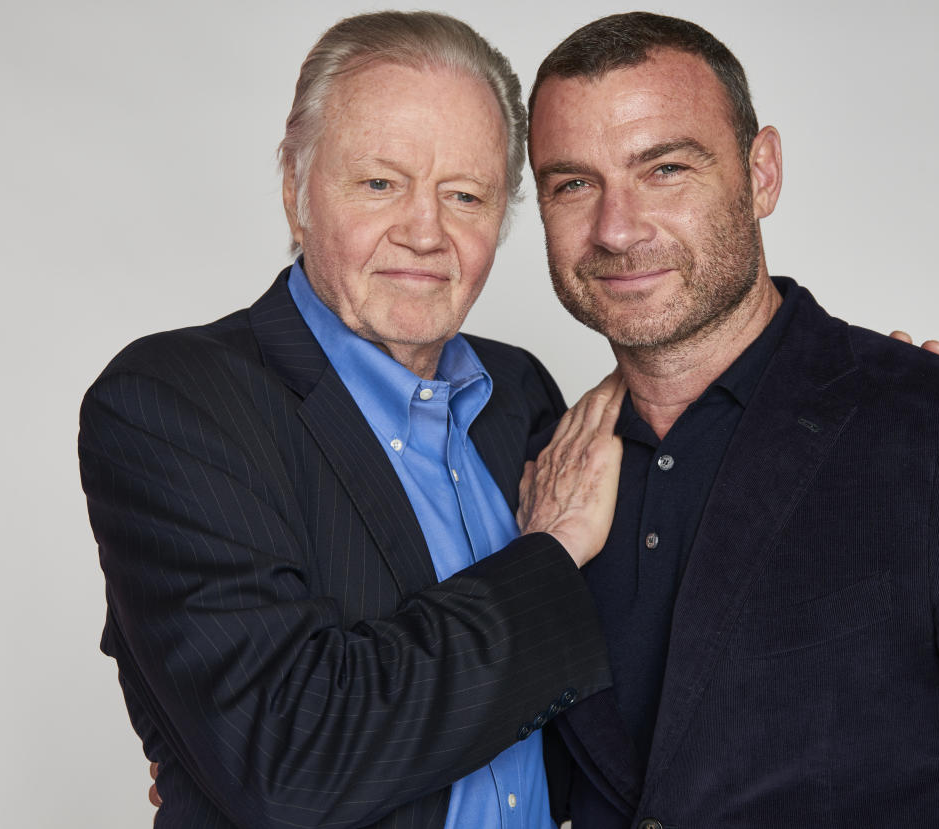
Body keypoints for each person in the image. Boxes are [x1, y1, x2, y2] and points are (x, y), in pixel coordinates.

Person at [525, 12, 939, 828]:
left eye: (664, 169)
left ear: (761, 172)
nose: (617, 228)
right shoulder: (534, 474)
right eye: (572, 184)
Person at [78, 12, 626, 828]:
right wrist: (548, 558)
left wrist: (847, 408)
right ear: (297, 190)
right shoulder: (173, 403)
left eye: (464, 195)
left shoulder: (518, 392)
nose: (424, 231)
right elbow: (295, 753)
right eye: (380, 183)